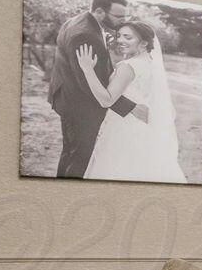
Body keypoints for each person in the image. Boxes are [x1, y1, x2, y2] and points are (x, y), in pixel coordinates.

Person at [48, 0, 146, 176]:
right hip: (81, 106)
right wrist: (130, 107)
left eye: (126, 16)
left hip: (68, 98)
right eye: (119, 16)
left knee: (70, 153)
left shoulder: (76, 21)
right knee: (80, 158)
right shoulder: (86, 35)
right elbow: (88, 82)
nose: (123, 21)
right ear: (100, 12)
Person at [75, 19, 185, 182]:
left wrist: (87, 69)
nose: (120, 40)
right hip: (143, 129)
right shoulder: (149, 63)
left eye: (128, 37)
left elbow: (106, 101)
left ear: (143, 43)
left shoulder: (128, 66)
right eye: (119, 36)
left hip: (123, 129)